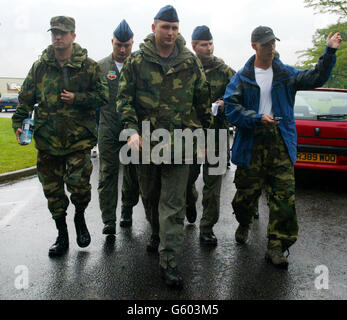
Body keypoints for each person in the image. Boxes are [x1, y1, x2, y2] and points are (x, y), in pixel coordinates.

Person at [224, 26, 342, 269]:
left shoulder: (285, 74)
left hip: (280, 142)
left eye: (273, 43)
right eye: (265, 44)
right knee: (245, 197)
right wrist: (257, 118)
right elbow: (231, 109)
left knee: (284, 198)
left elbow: (315, 77)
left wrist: (329, 52)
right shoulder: (242, 78)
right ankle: (244, 221)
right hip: (252, 144)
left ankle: (276, 247)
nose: (270, 47)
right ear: (254, 45)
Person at [116, 5, 212, 288]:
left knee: (173, 203)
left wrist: (206, 136)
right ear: (154, 27)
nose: (170, 33)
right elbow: (124, 99)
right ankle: (156, 233)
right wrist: (131, 131)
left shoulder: (190, 62)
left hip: (181, 144)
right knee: (151, 196)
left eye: (174, 28)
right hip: (146, 143)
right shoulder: (137, 61)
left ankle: (169, 261)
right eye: (165, 27)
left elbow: (202, 100)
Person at [12, 16, 107, 257]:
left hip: (78, 141)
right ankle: (62, 234)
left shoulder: (88, 66)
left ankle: (79, 217)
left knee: (79, 188)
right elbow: (25, 99)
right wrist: (18, 123)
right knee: (52, 192)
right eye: (54, 32)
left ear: (73, 36)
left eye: (63, 33)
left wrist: (78, 98)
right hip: (47, 140)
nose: (57, 37)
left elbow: (103, 96)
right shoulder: (40, 67)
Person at [187, 25, 235, 245]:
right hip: (189, 135)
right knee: (186, 181)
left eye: (210, 43)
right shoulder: (186, 68)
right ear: (194, 46)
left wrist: (227, 102)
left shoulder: (224, 70)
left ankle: (207, 228)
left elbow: (239, 93)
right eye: (204, 44)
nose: (208, 48)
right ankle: (189, 202)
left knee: (213, 186)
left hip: (217, 135)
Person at [97, 20, 139, 235]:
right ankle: (108, 220)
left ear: (133, 44)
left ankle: (127, 209)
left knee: (132, 173)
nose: (123, 50)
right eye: (118, 45)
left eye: (127, 46)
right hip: (108, 128)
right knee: (107, 174)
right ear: (112, 42)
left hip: (132, 129)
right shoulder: (100, 67)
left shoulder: (139, 67)